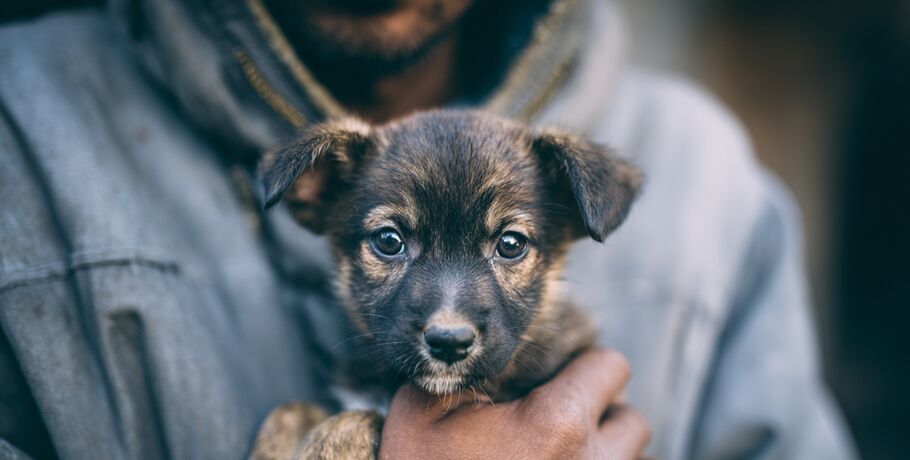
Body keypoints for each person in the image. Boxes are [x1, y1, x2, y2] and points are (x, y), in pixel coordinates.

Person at [0, 0, 855, 458]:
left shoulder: (713, 185)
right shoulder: (24, 123)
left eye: (509, 245)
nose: (448, 317)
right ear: (315, 204)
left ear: (567, 228)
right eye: (389, 241)